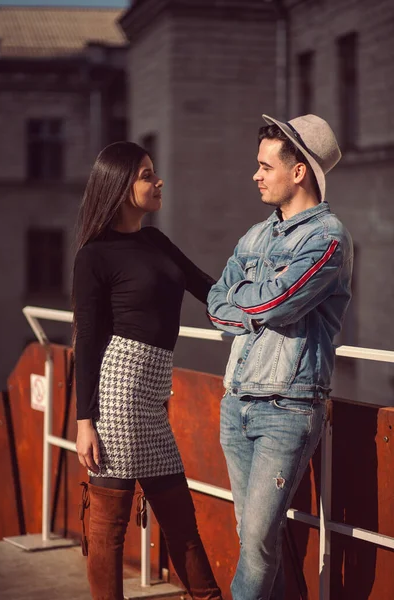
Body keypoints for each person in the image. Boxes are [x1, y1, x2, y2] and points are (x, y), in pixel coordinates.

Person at [207, 114, 353, 600]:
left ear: (298, 173)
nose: (256, 175)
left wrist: (247, 301)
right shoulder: (255, 235)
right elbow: (215, 300)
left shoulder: (328, 238)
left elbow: (276, 302)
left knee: (259, 542)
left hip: (288, 409)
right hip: (237, 402)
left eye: (265, 166)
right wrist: (254, 303)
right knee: (253, 539)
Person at [73, 141, 223, 600]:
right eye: (145, 174)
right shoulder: (94, 256)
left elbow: (207, 290)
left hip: (154, 395)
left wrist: (263, 308)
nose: (157, 181)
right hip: (118, 391)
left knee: (180, 518)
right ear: (119, 186)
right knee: (110, 524)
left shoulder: (156, 240)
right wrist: (85, 422)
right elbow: (89, 340)